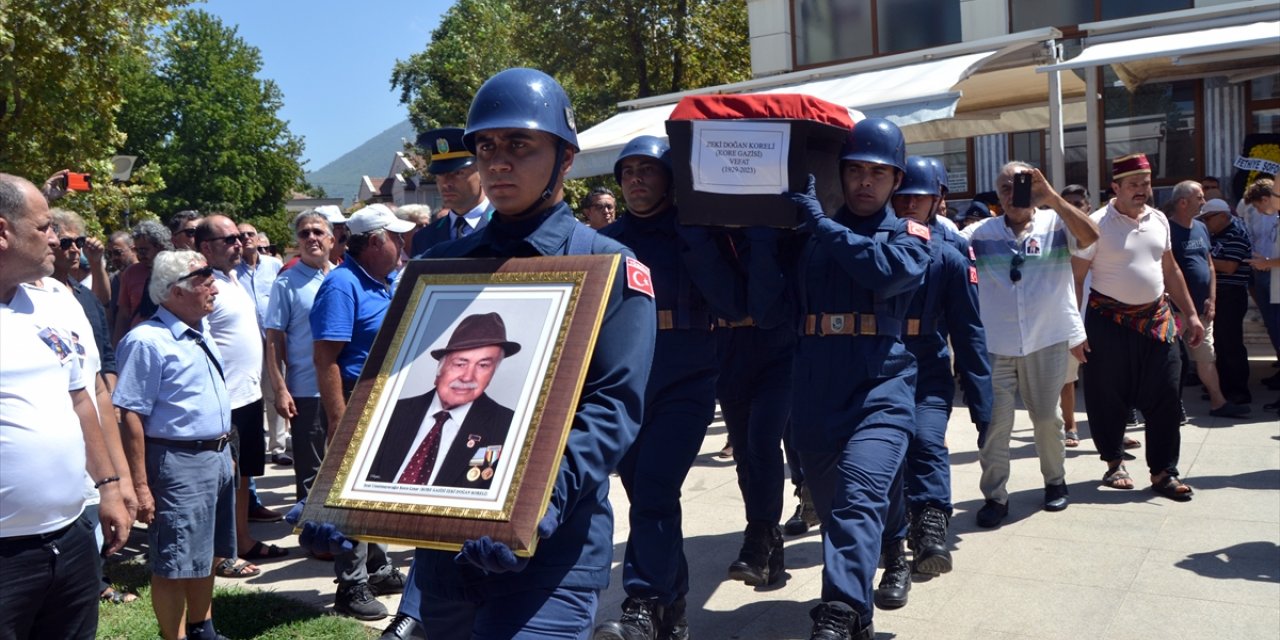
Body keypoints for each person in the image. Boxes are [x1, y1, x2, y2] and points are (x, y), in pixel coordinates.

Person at [351, 67, 655, 640]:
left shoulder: (610, 264)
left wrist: (537, 499)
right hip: (444, 557)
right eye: (486, 146)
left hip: (553, 553)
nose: (498, 161)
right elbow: (395, 392)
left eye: (520, 144)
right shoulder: (440, 268)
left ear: (565, 158)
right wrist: (342, 503)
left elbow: (612, 407)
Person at [751, 118, 930, 639]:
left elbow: (882, 271)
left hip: (882, 387)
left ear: (897, 181)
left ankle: (840, 612)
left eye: (878, 172)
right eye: (855, 170)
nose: (865, 182)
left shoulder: (909, 235)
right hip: (815, 389)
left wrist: (821, 226)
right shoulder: (808, 238)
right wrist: (764, 237)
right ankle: (892, 546)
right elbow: (767, 311)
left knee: (856, 498)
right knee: (840, 511)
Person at [592, 135, 745, 640]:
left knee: (656, 489)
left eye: (647, 169)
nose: (635, 179)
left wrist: (696, 239)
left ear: (671, 178)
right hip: (625, 387)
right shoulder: (604, 242)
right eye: (627, 171)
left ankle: (642, 603)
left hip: (688, 381)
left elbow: (730, 302)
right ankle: (673, 604)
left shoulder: (700, 233)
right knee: (647, 497)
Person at [0, 173, 131, 640]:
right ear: (2, 232)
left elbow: (81, 397)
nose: (55, 238)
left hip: (70, 537)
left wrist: (111, 487)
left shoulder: (48, 305)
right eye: (43, 227)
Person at [874, 157, 992, 610]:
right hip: (878, 362)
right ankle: (894, 541)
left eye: (917, 199)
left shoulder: (951, 251)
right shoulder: (872, 239)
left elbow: (969, 329)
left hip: (927, 363)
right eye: (900, 196)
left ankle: (931, 528)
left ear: (937, 200)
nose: (906, 206)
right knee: (890, 458)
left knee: (926, 441)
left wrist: (982, 404)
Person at [962, 162, 1099, 527]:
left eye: (1020, 186)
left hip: (1046, 340)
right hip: (996, 346)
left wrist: (1053, 197)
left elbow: (1091, 238)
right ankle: (995, 496)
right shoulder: (979, 234)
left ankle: (1055, 481)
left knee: (1046, 419)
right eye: (1005, 188)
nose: (1012, 195)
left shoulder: (1057, 224)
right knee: (994, 426)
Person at [114, 250, 236, 640]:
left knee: (206, 555)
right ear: (175, 291)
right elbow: (129, 415)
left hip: (215, 457)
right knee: (174, 561)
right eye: (204, 279)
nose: (213, 286)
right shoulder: (147, 341)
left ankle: (203, 629)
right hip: (178, 463)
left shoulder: (199, 330)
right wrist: (141, 485)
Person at [1076, 153, 1205, 502]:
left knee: (1166, 391)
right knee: (1108, 396)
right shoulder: (1095, 222)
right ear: (1114, 187)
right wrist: (1075, 329)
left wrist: (1190, 314)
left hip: (1157, 318)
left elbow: (1171, 269)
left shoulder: (1159, 219)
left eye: (1145, 183)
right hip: (1107, 320)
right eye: (1133, 184)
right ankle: (1114, 460)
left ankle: (1164, 472)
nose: (1141, 190)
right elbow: (1075, 277)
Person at [311, 203, 412, 620]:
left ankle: (377, 565)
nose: (404, 245)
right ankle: (350, 585)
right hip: (353, 399)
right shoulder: (342, 286)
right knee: (351, 498)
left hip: (382, 400)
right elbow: (326, 359)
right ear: (376, 242)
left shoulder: (381, 281)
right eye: (397, 238)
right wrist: (338, 417)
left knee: (378, 489)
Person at [195, 215, 287, 570]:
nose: (239, 243)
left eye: (239, 237)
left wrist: (276, 384)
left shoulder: (233, 279)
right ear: (206, 247)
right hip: (223, 402)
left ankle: (241, 542)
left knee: (242, 476)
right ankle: (221, 553)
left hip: (248, 397)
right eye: (229, 239)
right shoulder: (203, 283)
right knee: (224, 479)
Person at [366, 313, 519, 489]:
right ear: (440, 367)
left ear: (493, 372)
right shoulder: (390, 412)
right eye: (460, 363)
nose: (468, 376)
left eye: (483, 365)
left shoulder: (510, 427)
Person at [264, 210, 335, 502]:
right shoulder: (287, 282)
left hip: (344, 387)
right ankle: (311, 532)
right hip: (307, 390)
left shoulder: (343, 277)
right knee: (311, 467)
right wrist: (281, 388)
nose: (311, 238)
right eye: (304, 233)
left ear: (331, 239)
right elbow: (273, 340)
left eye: (318, 232)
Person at [1165, 181, 1249, 418]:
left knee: (1206, 357)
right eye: (1199, 198)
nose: (1203, 202)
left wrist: (1212, 299)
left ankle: (1218, 402)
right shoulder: (1167, 231)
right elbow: (1166, 271)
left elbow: (1210, 265)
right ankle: (1173, 407)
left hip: (1202, 310)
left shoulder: (1201, 228)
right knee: (1175, 361)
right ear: (1183, 202)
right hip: (1176, 310)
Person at [234, 221, 290, 466]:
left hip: (275, 338)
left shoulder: (274, 266)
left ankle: (278, 447)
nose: (246, 238)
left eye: (250, 234)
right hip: (248, 342)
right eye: (241, 235)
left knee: (276, 389)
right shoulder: (232, 272)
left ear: (258, 239)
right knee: (252, 393)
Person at [1200, 198, 1254, 405]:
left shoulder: (1237, 234)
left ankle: (1238, 390)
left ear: (1223, 216)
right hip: (1218, 295)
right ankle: (1222, 388)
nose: (1205, 222)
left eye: (1208, 218)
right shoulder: (1214, 235)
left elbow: (1230, 266)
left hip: (1231, 294)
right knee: (1219, 343)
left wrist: (1201, 258)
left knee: (1231, 344)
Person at [410, 127, 492, 258]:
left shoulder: (510, 226)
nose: (446, 183)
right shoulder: (424, 238)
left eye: (458, 173)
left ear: (482, 172)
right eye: (440, 174)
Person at [1057, 184, 1091, 446]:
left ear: (1087, 206)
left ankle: (1113, 430)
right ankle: (1071, 426)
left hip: (1101, 315)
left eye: (1077, 203)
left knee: (1108, 378)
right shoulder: (1056, 237)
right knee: (1068, 379)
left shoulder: (1102, 232)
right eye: (1065, 203)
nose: (1072, 208)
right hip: (1069, 318)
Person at [1242, 179, 1280, 399]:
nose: (1257, 210)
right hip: (1266, 276)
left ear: (1268, 198)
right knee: (1273, 325)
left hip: (1272, 274)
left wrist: (1267, 262)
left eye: (1257, 205)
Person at [113, 220, 172, 345]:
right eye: (137, 250)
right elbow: (123, 314)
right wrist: (117, 347)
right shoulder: (132, 273)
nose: (140, 255)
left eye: (144, 250)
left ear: (160, 246)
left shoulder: (176, 269)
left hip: (170, 340)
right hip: (139, 340)